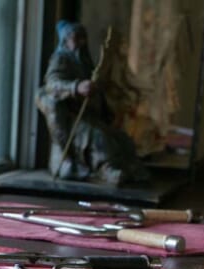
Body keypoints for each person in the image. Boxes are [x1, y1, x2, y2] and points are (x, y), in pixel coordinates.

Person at [35, 21, 149, 185]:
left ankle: (131, 168)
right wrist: (76, 87)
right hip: (72, 115)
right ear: (66, 41)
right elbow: (52, 85)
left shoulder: (85, 60)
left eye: (83, 38)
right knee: (98, 137)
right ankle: (107, 169)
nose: (81, 43)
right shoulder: (61, 59)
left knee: (121, 139)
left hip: (90, 113)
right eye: (77, 38)